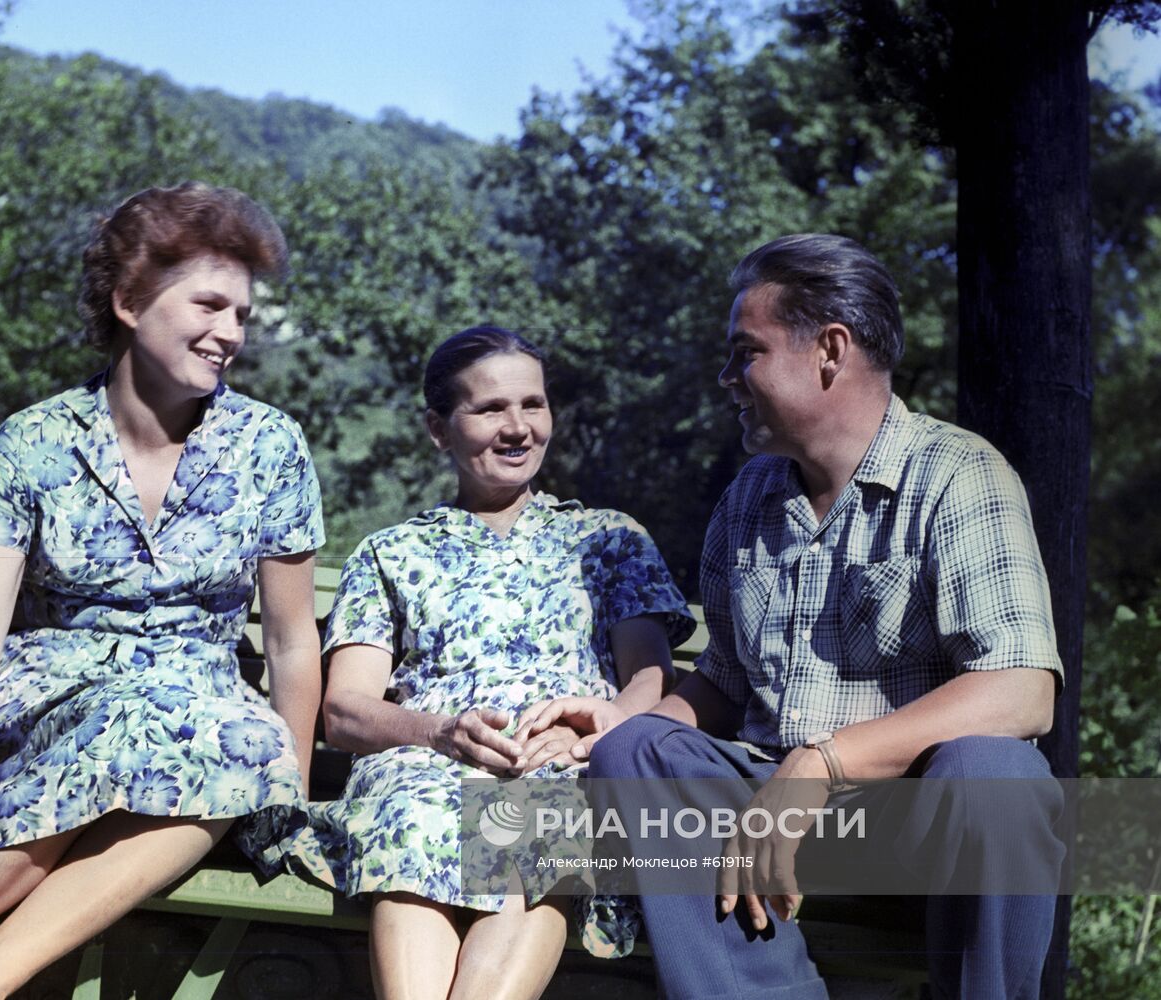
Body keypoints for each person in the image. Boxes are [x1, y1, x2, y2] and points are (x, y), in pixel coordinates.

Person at [0, 182, 324, 1000]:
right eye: (209, 304)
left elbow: (289, 640)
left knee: (220, 737)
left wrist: (290, 793)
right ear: (131, 300)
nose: (230, 334)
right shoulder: (31, 443)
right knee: (128, 719)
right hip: (52, 707)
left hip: (202, 727)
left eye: (242, 314)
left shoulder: (268, 446)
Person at [588, 234, 1065, 1000]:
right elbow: (722, 684)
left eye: (745, 352)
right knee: (639, 751)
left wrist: (822, 763)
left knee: (998, 773)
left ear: (829, 351)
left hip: (908, 818)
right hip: (763, 803)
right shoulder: (747, 498)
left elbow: (1020, 692)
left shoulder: (959, 475)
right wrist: (610, 726)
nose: (727, 378)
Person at [281, 326, 695, 1000]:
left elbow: (649, 676)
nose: (518, 427)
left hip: (556, 763)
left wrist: (595, 731)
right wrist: (438, 734)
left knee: (539, 816)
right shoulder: (394, 551)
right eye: (489, 409)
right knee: (411, 814)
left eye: (532, 405)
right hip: (424, 766)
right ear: (438, 429)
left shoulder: (607, 540)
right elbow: (346, 710)